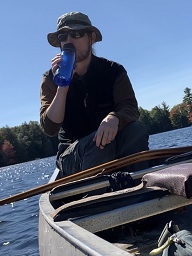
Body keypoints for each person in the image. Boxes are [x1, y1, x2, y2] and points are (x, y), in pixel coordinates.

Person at [40, 11, 149, 177]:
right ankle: (95, 198)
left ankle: (142, 188)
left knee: (136, 130)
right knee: (97, 144)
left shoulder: (113, 71)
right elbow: (50, 127)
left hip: (111, 144)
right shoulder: (50, 79)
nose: (68, 41)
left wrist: (115, 117)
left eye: (77, 34)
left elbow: (130, 108)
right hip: (72, 155)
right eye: (63, 36)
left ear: (91, 38)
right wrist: (62, 86)